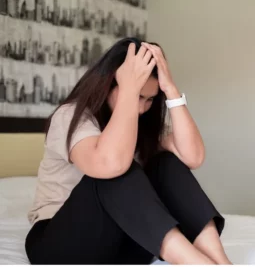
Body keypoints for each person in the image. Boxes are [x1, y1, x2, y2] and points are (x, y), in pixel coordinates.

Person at [25, 37, 232, 265]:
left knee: (166, 163)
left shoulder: (142, 126)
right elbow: (110, 164)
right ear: (109, 84)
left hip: (126, 240)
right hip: (60, 243)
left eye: (150, 99)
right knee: (114, 172)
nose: (142, 108)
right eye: (138, 97)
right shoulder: (71, 116)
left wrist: (171, 90)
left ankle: (221, 262)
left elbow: (193, 157)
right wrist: (129, 90)